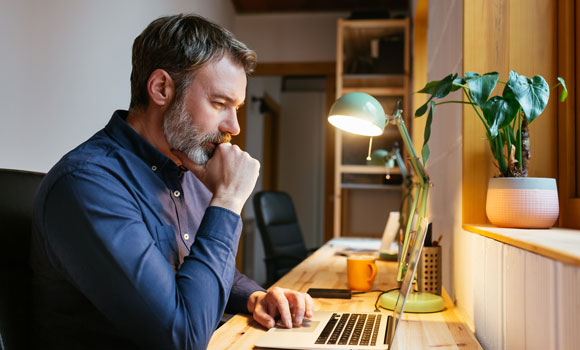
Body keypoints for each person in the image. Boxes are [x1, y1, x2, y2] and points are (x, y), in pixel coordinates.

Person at [30, 14, 314, 350]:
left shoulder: (184, 165)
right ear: (162, 88)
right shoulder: (88, 186)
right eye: (220, 103)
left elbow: (199, 268)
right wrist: (227, 201)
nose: (234, 127)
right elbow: (182, 339)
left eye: (235, 107)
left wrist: (253, 296)